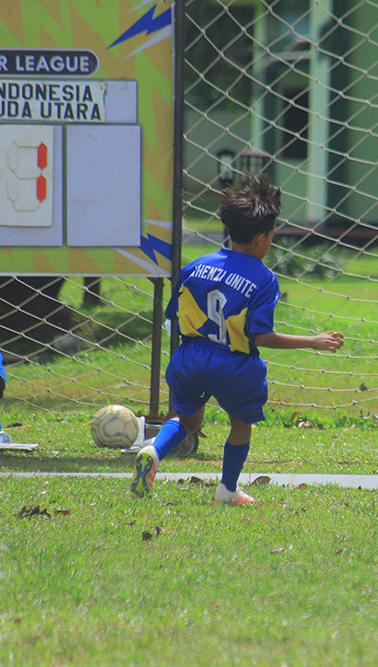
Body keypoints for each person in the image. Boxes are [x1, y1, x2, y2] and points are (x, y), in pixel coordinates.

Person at [130, 173, 344, 504]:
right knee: (241, 425)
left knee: (185, 420)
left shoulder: (196, 266)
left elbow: (174, 317)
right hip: (234, 366)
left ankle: (154, 452)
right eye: (272, 235)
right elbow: (261, 338)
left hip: (189, 356)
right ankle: (227, 489)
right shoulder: (263, 278)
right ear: (261, 238)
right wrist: (312, 340)